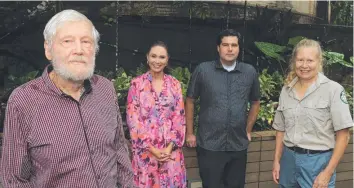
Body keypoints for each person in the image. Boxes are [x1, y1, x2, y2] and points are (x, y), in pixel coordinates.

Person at [0, 9, 134, 188]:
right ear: (48, 49)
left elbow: (118, 150)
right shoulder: (24, 101)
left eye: (86, 41)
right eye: (67, 41)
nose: (79, 50)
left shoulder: (105, 89)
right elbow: (14, 180)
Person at [272, 39, 353, 188]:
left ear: (319, 61)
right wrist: (277, 161)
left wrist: (328, 172)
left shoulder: (333, 90)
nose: (304, 65)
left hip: (317, 163)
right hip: (288, 161)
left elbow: (344, 135)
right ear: (294, 61)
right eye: (300, 60)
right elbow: (280, 130)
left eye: (310, 60)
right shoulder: (286, 90)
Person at [185, 29, 261, 188]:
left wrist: (247, 129)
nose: (230, 49)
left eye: (234, 45)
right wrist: (190, 133)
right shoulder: (203, 70)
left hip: (237, 145)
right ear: (218, 48)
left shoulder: (249, 72)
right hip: (209, 144)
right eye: (225, 45)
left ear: (239, 49)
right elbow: (190, 100)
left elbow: (255, 102)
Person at [126, 41, 187, 188]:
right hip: (146, 155)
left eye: (161, 57)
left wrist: (168, 148)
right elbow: (133, 121)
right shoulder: (136, 85)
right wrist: (153, 150)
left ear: (167, 60)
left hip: (170, 155)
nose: (157, 61)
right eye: (153, 56)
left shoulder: (174, 84)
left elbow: (179, 118)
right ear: (147, 57)